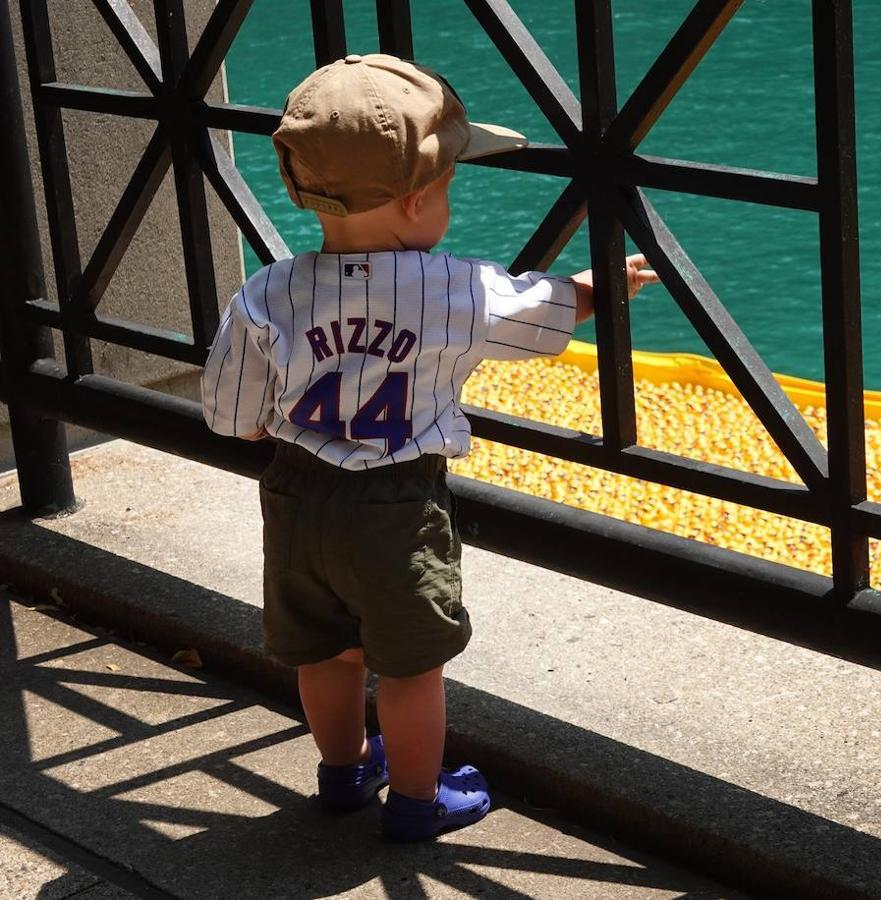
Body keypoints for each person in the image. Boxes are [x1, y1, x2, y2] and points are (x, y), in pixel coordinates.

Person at [200, 53, 657, 841]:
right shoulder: (455, 289)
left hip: (296, 495)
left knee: (326, 651)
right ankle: (418, 801)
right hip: (397, 504)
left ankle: (343, 774)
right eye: (445, 187)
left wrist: (267, 424)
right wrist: (600, 284)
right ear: (417, 201)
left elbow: (228, 411)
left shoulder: (266, 290)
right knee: (410, 664)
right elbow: (544, 315)